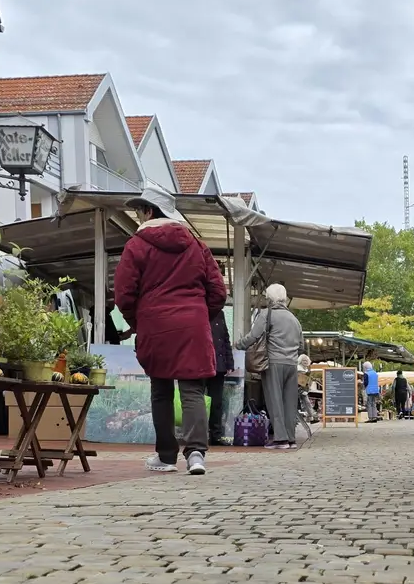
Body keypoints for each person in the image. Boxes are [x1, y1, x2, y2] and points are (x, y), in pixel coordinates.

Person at [114, 185, 224, 475]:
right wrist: (199, 314)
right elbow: (218, 292)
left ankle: (165, 456)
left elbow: (124, 294)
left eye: (140, 211)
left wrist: (139, 322)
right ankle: (197, 454)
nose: (138, 218)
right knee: (192, 390)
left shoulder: (136, 246)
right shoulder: (197, 246)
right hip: (193, 326)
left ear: (149, 211)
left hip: (155, 324)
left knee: (161, 389)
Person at [236, 283, 303, 449]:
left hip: (273, 362)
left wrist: (238, 345)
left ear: (270, 299)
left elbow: (253, 336)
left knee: (274, 400)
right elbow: (301, 345)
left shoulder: (267, 314)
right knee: (289, 402)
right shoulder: (294, 319)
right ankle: (291, 438)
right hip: (291, 364)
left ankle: (280, 439)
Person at [206, 307, 233, 446]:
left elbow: (225, 339)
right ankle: (197, 434)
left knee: (216, 402)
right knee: (197, 401)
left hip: (218, 366)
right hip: (200, 364)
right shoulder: (198, 309)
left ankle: (215, 435)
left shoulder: (219, 314)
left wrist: (229, 362)